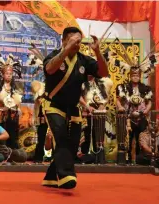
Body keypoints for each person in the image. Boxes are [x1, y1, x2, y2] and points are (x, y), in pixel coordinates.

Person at [42, 27, 108, 189]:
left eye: (78, 41)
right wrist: (66, 50)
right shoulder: (54, 56)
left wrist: (97, 52)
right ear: (64, 40)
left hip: (73, 108)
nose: (76, 44)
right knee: (61, 137)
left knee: (72, 144)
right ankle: (67, 175)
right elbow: (50, 69)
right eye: (72, 40)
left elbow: (104, 73)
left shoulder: (84, 60)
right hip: (53, 105)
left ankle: (51, 176)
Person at [0, 52, 23, 149]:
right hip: (0, 116)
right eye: (7, 73)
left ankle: (13, 155)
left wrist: (19, 110)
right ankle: (1, 155)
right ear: (2, 75)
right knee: (1, 138)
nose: (9, 75)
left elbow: (18, 102)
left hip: (12, 116)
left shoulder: (16, 88)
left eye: (11, 74)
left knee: (12, 137)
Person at [116, 68, 152, 164]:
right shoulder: (124, 88)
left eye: (137, 75)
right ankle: (127, 159)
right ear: (130, 75)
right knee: (128, 138)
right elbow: (118, 100)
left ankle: (140, 159)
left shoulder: (145, 88)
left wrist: (146, 111)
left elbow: (149, 103)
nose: (135, 76)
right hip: (129, 118)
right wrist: (120, 107)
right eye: (133, 75)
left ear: (140, 76)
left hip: (141, 118)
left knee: (141, 139)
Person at [81, 76, 113, 155]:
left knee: (98, 136)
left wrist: (102, 105)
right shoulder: (82, 83)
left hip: (99, 113)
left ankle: (98, 156)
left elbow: (106, 97)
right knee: (86, 135)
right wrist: (87, 106)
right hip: (86, 113)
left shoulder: (102, 83)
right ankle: (84, 155)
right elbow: (79, 97)